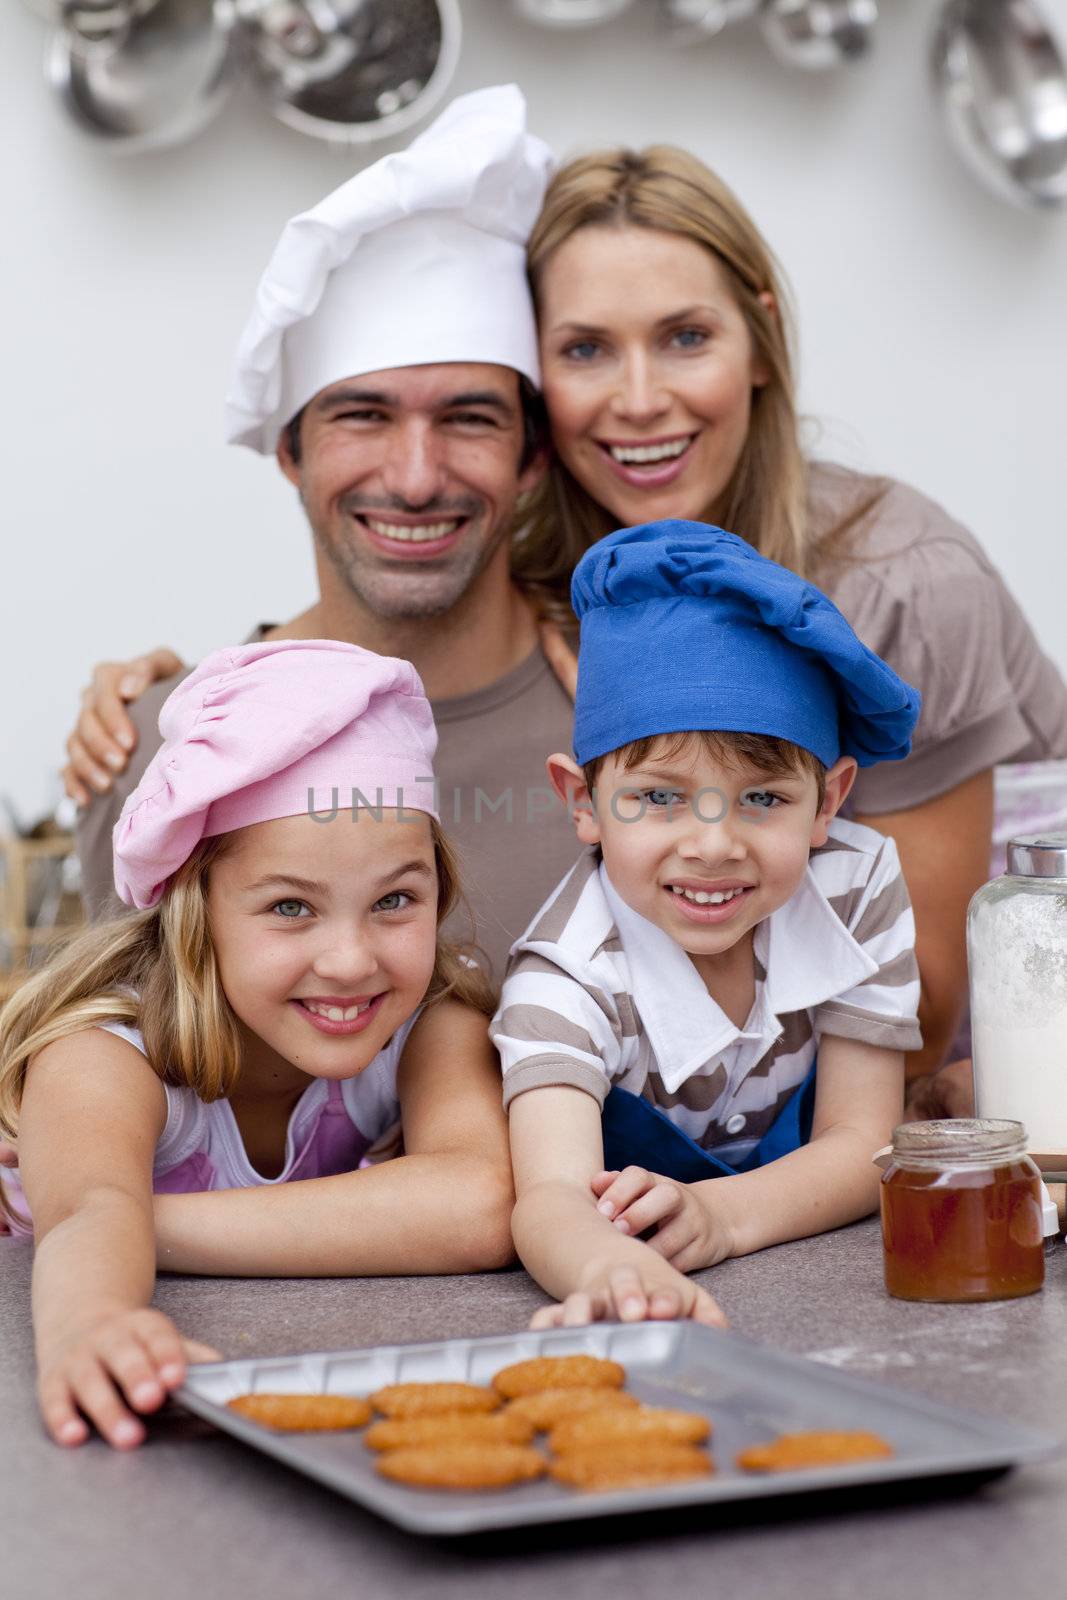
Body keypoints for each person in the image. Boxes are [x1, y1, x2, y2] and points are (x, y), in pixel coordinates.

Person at [517, 144, 1067, 1114]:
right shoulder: (522, 577)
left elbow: (925, 1014)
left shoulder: (902, 578)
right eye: (585, 348)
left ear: (760, 340)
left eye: (685, 336)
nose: (639, 398)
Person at [63, 84, 580, 984]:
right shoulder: (160, 750)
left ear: (533, 456)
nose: (416, 478)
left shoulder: (638, 732)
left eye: (468, 418)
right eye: (363, 416)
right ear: (289, 452)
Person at [0, 640, 512, 1450]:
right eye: (289, 908)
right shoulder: (108, 1053)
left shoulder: (434, 1022)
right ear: (192, 907)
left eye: (395, 900)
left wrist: (152, 1219)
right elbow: (91, 1213)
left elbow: (479, 1203)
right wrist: (96, 1320)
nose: (351, 961)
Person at [495, 519, 922, 1328]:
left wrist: (720, 1218)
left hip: (812, 1293)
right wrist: (616, 1272)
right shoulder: (564, 980)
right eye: (658, 797)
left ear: (828, 801)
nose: (714, 846)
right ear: (582, 802)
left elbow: (864, 1141)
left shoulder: (856, 888)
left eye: (763, 799)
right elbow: (549, 1195)